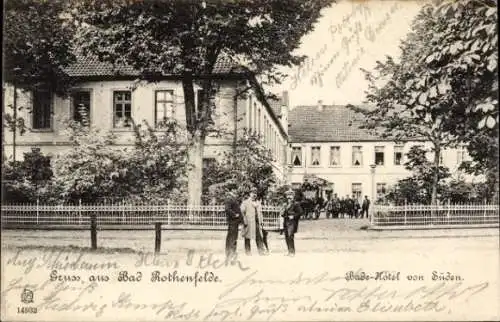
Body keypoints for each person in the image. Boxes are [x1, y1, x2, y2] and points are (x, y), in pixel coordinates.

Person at [241, 188, 267, 255]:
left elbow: (260, 213)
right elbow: (242, 212)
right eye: (252, 193)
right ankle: (248, 252)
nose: (254, 195)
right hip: (248, 223)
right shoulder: (245, 202)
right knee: (247, 237)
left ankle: (261, 251)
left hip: (257, 223)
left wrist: (261, 221)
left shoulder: (258, 203)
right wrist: (244, 221)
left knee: (259, 237)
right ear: (250, 194)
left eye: (255, 193)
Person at [281, 189, 304, 256]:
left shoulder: (296, 204)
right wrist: (283, 210)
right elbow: (282, 214)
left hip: (292, 222)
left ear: (293, 196)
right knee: (286, 237)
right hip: (285, 222)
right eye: (288, 195)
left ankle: (292, 252)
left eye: (290, 195)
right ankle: (289, 251)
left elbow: (300, 212)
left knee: (290, 236)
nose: (289, 197)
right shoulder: (285, 204)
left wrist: (293, 216)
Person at [224, 188, 242, 260]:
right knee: (232, 238)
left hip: (235, 222)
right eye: (234, 190)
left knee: (233, 238)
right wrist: (235, 215)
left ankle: (231, 253)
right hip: (232, 221)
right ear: (231, 191)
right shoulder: (229, 199)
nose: (236, 192)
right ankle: (230, 254)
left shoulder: (233, 199)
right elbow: (227, 209)